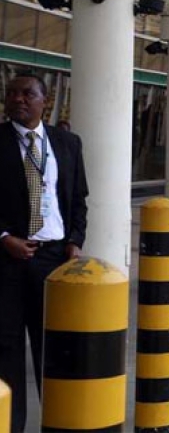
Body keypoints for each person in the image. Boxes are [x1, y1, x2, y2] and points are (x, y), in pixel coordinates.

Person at [1, 72, 88, 432]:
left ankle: (56, 421)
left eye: (27, 94)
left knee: (50, 346)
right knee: (6, 348)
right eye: (12, 93)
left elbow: (78, 199)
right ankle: (10, 424)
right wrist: (4, 236)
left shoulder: (68, 143)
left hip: (53, 260)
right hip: (6, 260)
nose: (19, 99)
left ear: (45, 101)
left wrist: (75, 241)